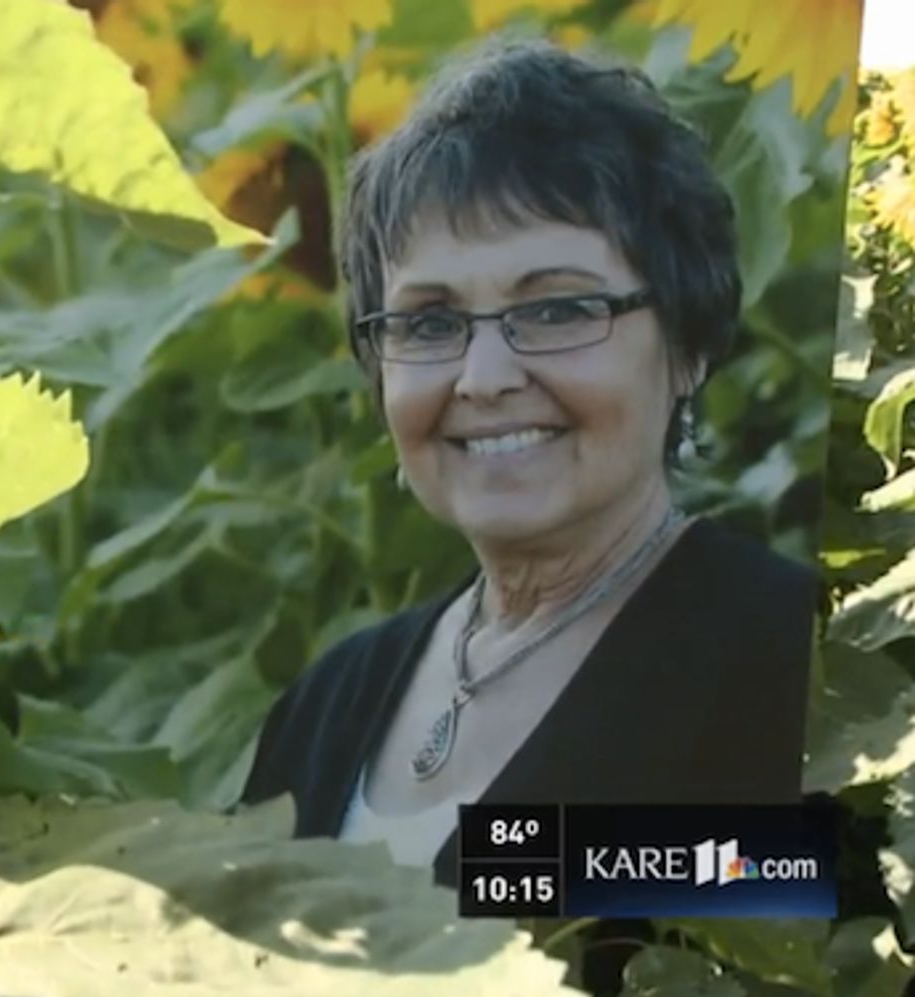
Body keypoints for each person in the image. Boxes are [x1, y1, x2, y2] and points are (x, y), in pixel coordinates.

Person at [238, 38, 817, 889]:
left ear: (687, 345)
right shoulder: (324, 706)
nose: (483, 379)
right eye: (429, 324)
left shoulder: (790, 667)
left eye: (555, 309)